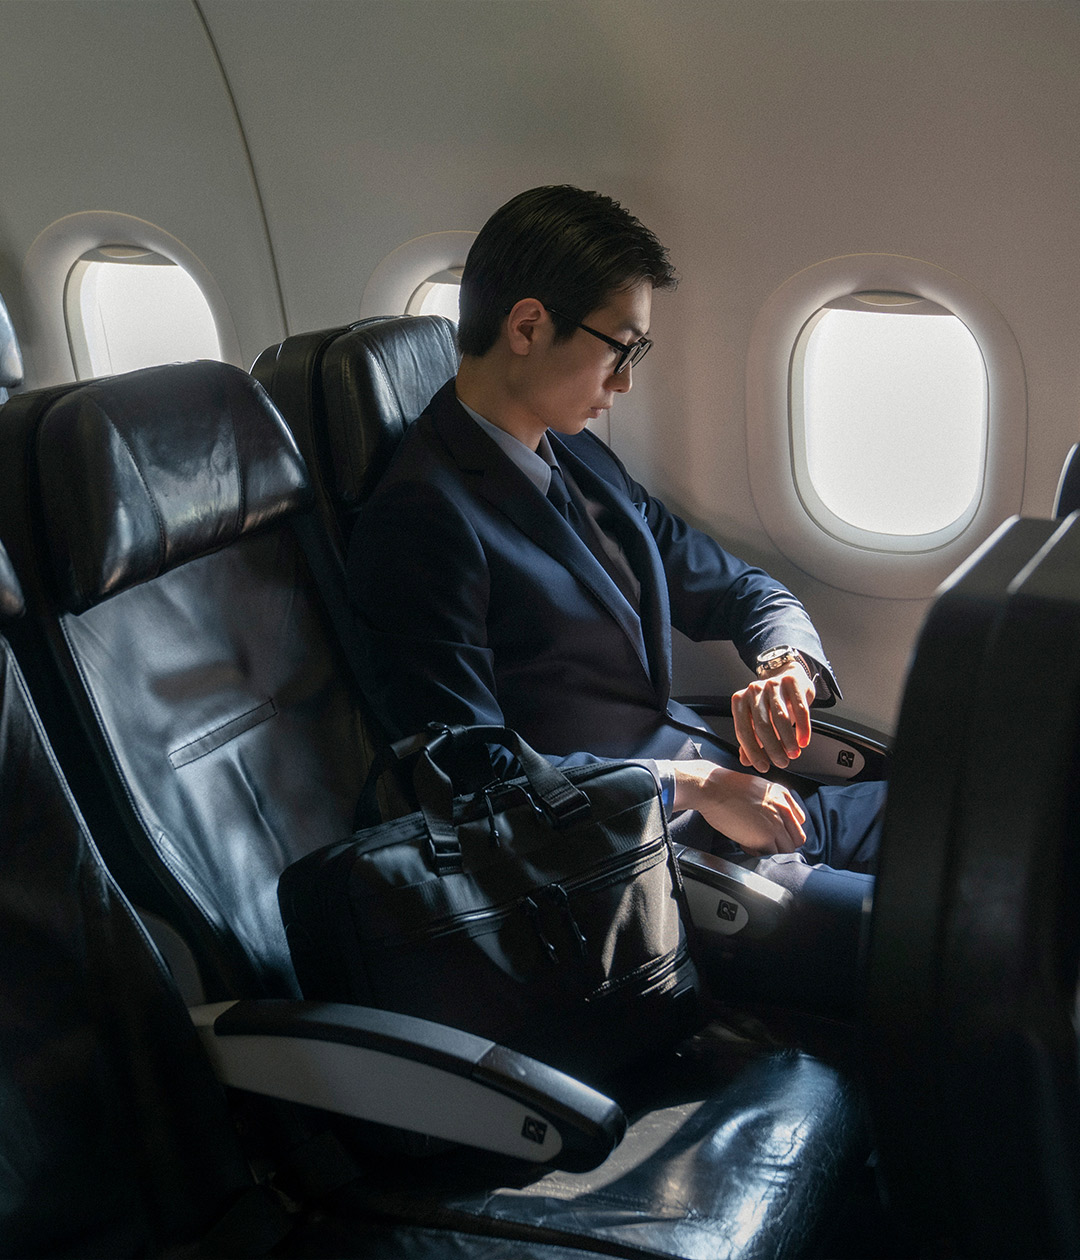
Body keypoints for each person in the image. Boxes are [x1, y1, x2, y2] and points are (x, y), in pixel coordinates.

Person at [349, 186, 884, 1001]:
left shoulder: (579, 459)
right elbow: (474, 782)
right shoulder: (422, 518)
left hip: (748, 807)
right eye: (620, 349)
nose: (626, 384)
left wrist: (786, 664)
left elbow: (737, 585)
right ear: (527, 327)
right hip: (650, 868)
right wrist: (695, 787)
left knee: (992, 825)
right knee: (954, 936)